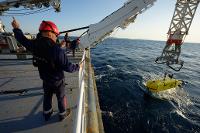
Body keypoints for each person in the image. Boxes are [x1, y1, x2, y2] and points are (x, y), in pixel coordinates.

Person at [11, 19, 80, 121]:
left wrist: (16, 28)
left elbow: (21, 39)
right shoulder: (57, 51)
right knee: (60, 97)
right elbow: (68, 67)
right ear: (49, 33)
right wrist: (78, 67)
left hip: (45, 79)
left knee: (47, 96)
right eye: (55, 35)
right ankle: (62, 114)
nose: (56, 37)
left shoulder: (34, 45)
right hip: (58, 81)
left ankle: (47, 114)